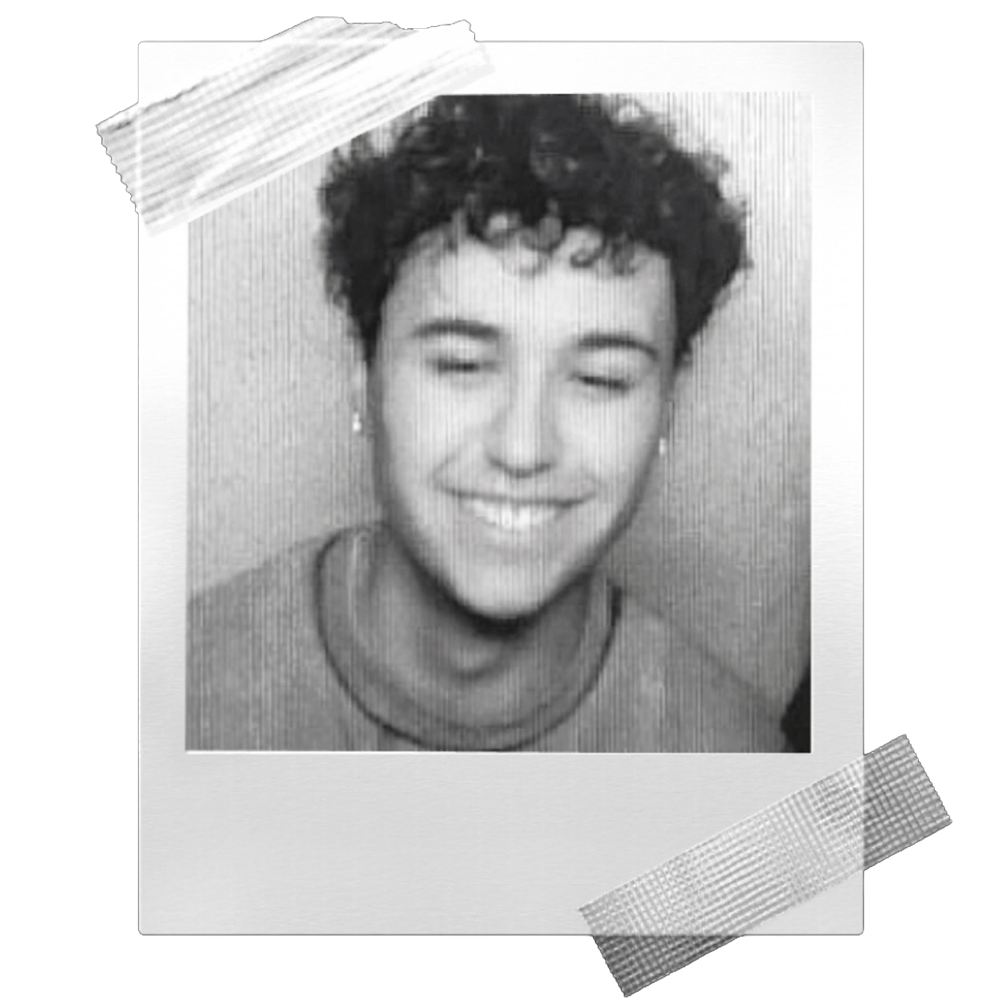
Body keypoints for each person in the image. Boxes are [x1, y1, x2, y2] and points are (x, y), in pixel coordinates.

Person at [187, 94, 789, 752]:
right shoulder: (163, 696)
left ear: (665, 413)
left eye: (601, 379)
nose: (523, 448)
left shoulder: (744, 774)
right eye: (464, 364)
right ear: (366, 381)